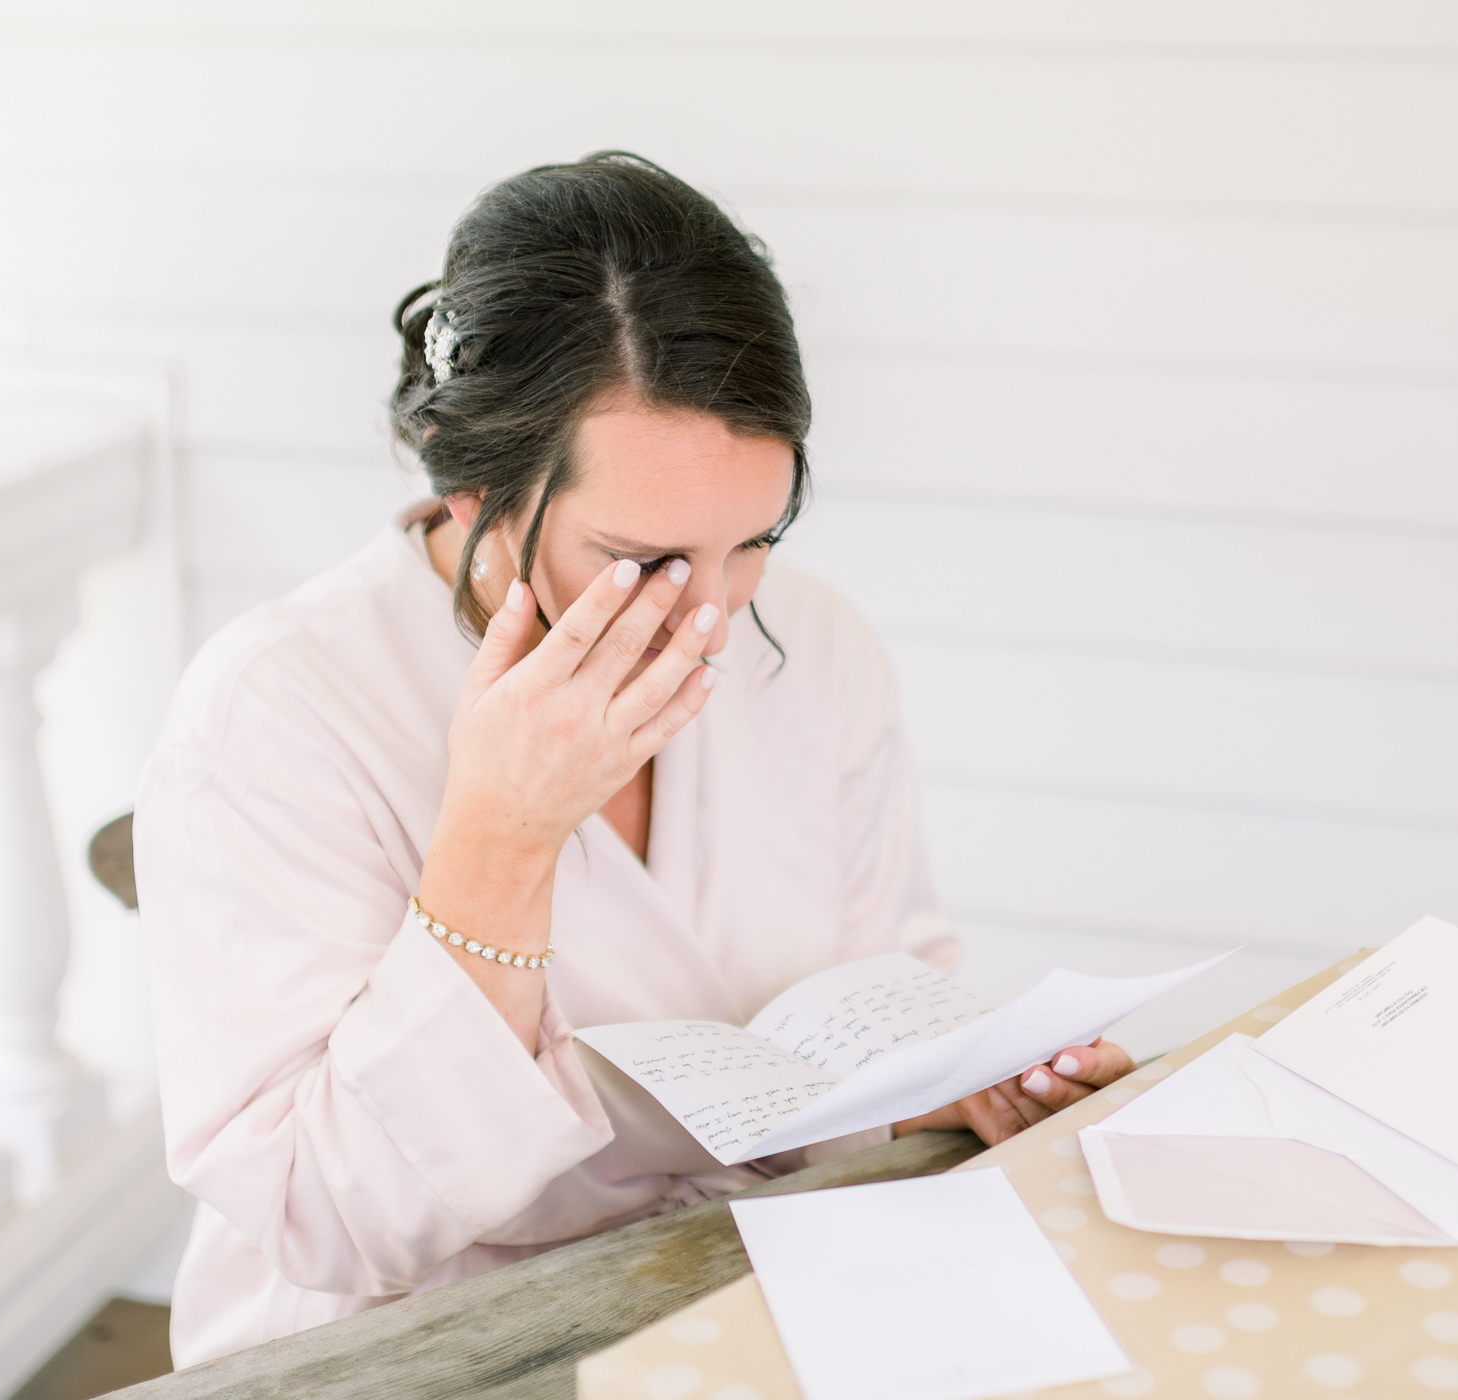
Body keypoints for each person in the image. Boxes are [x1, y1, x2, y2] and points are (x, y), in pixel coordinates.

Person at [135, 152, 1134, 1366]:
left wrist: (956, 1079)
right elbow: (326, 1214)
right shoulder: (277, 709)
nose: (709, 614)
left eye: (752, 541)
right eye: (644, 556)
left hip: (759, 1283)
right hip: (410, 1344)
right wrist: (502, 836)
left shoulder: (814, 645)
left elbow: (885, 987)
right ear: (472, 493)